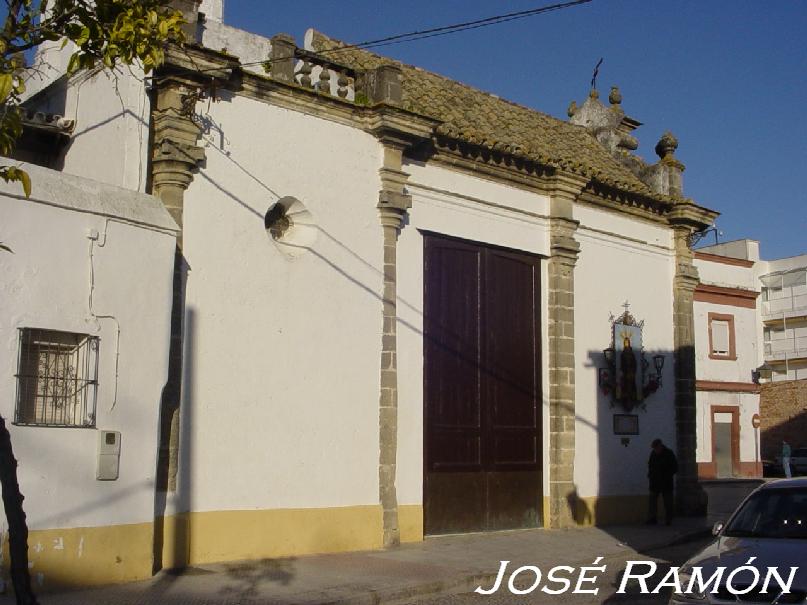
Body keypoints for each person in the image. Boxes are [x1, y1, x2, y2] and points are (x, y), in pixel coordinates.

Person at [647, 438, 678, 525]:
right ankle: (652, 518)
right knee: (652, 501)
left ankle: (669, 520)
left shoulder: (669, 454)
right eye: (654, 449)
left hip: (666, 482)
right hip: (655, 482)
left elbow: (675, 467)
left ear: (660, 446)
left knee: (668, 502)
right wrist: (650, 476)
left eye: (656, 448)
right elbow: (650, 466)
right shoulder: (653, 454)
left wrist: (667, 474)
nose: (655, 450)